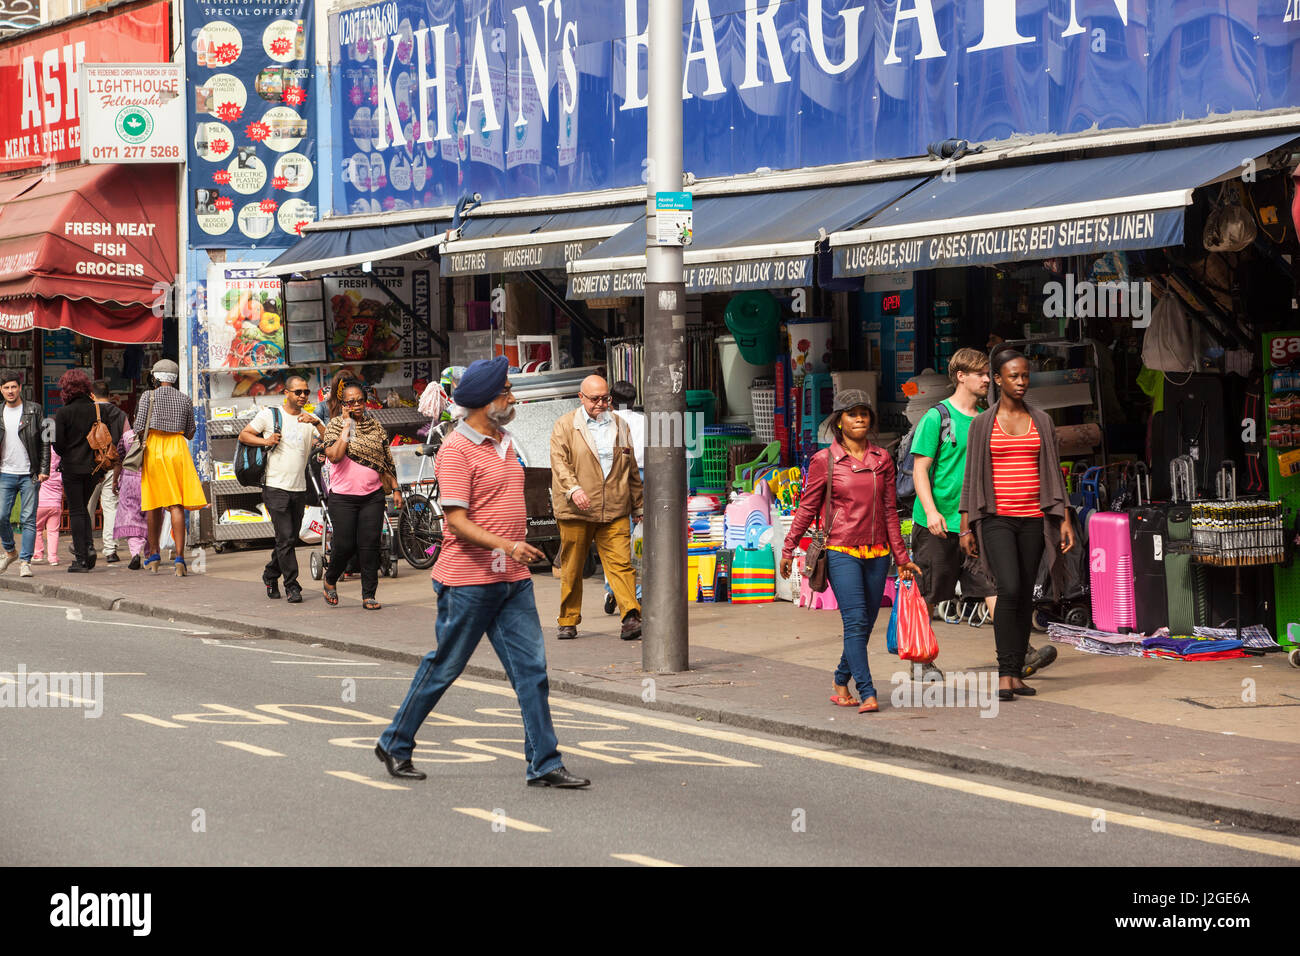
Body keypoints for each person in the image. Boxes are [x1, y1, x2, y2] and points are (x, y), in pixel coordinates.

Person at [376, 357, 589, 788]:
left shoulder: (506, 441)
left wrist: (514, 552)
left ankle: (544, 762)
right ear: (484, 402)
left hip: (512, 579)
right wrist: (509, 544)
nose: (512, 397)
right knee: (446, 666)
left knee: (532, 671)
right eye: (506, 391)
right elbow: (455, 522)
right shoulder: (456, 450)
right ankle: (396, 741)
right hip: (468, 582)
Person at [780, 390, 922, 714]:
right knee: (856, 620)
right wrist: (789, 548)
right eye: (851, 413)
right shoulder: (824, 461)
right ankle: (868, 690)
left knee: (866, 622)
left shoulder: (882, 459)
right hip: (841, 549)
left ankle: (840, 678)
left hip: (877, 553)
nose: (859, 418)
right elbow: (807, 507)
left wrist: (902, 557)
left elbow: (889, 511)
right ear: (839, 421)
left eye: (864, 413)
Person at [959, 347, 1076, 702]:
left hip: (1034, 520)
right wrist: (966, 526)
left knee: (1025, 593)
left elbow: (1054, 473)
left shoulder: (1042, 420)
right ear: (998, 379)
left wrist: (1065, 519)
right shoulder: (983, 423)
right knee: (1008, 588)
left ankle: (1016, 675)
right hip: (996, 519)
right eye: (1014, 376)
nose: (1022, 382)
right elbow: (971, 477)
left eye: (1026, 375)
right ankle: (1004, 673)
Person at [909, 348, 992, 681]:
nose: (987, 379)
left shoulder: (986, 417)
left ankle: (1017, 652)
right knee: (930, 592)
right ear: (961, 376)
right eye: (981, 373)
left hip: (976, 523)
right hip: (938, 524)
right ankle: (921, 659)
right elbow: (920, 470)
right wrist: (931, 512)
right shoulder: (937, 417)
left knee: (992, 586)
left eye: (988, 373)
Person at [549, 374, 644, 641]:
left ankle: (630, 617)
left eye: (605, 398)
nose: (601, 404)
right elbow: (560, 463)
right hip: (576, 510)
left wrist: (639, 506)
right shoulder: (565, 425)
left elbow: (631, 468)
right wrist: (573, 489)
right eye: (594, 399)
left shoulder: (620, 425)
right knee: (573, 567)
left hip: (614, 507)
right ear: (581, 398)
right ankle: (568, 620)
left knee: (621, 565)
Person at [239, 375, 326, 603]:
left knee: (289, 539)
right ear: (286, 393)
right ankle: (292, 585)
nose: (303, 396)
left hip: (299, 487)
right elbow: (244, 435)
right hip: (275, 486)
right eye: (298, 392)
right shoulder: (271, 415)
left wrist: (316, 423)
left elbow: (330, 441)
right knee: (286, 536)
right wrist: (265, 442)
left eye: (306, 392)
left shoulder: (310, 419)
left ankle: (270, 574)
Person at [320, 379, 401, 610]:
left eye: (360, 401)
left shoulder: (374, 426)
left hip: (372, 495)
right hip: (343, 497)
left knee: (370, 545)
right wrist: (347, 426)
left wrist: (395, 488)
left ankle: (369, 594)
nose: (357, 405)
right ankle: (330, 579)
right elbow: (334, 456)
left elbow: (385, 460)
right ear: (343, 404)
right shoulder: (335, 426)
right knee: (344, 545)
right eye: (351, 402)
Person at [134, 359, 207, 576]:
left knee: (153, 503)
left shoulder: (148, 396)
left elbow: (139, 427)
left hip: (154, 449)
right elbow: (190, 432)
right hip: (177, 449)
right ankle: (179, 559)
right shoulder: (184, 399)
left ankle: (154, 555)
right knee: (176, 504)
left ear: (156, 377)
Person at [53, 370, 118, 573]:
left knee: (77, 510)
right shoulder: (99, 410)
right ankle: (88, 549)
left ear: (66, 389)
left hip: (72, 468)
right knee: (83, 508)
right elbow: (109, 439)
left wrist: (68, 453)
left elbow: (58, 445)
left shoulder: (63, 413)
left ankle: (82, 557)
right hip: (94, 468)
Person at [0, 372, 49, 578]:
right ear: (1, 390)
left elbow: (46, 441)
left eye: (13, 387)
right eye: (6, 388)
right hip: (5, 473)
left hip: (30, 473)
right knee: (1, 515)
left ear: (20, 387)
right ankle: (10, 551)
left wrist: (44, 470)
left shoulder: (35, 410)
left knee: (28, 519)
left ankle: (25, 561)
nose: (10, 391)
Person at [603, 379, 644, 612]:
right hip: (645, 478)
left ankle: (613, 589)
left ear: (611, 400)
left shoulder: (608, 422)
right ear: (634, 400)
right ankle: (636, 592)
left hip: (618, 478)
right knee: (639, 538)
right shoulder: (646, 422)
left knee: (617, 537)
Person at [89, 380, 128, 563]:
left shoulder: (87, 412)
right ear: (110, 396)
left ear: (92, 395)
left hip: (90, 467)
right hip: (113, 466)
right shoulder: (120, 414)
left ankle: (86, 544)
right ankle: (110, 550)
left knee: (86, 506)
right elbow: (128, 441)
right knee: (111, 507)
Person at [110, 426, 149, 570]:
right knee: (152, 516)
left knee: (131, 517)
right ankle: (150, 554)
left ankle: (135, 553)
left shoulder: (126, 436)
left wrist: (115, 481)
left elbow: (119, 461)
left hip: (129, 482)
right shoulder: (155, 436)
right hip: (150, 481)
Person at [32, 449, 63, 566]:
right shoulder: (60, 471)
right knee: (53, 531)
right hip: (56, 504)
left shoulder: (42, 470)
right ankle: (53, 557)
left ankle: (38, 554)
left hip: (41, 503)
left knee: (36, 529)